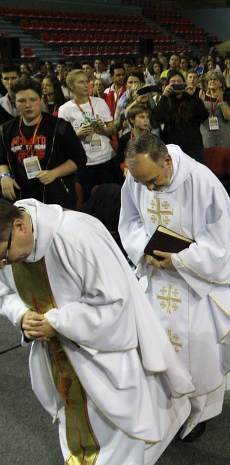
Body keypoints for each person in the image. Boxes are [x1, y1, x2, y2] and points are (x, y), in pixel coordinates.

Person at [0, 198, 194, 464]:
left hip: (103, 353)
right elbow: (5, 293)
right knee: (77, 425)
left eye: (3, 255)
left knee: (118, 436)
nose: (3, 265)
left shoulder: (76, 235)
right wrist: (21, 316)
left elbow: (115, 303)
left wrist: (57, 322)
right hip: (60, 359)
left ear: (20, 226)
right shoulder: (9, 245)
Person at [118, 134, 230, 440]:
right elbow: (129, 222)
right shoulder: (137, 179)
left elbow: (221, 242)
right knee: (158, 346)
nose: (150, 190)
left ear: (167, 161)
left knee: (198, 348)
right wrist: (144, 248)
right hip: (156, 278)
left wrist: (181, 260)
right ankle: (167, 411)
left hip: (196, 284)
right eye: (144, 184)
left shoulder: (202, 180)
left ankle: (198, 413)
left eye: (154, 181)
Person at [0, 77, 87, 209]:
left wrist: (54, 173)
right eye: (22, 101)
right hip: (23, 199)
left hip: (57, 197)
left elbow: (80, 158)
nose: (28, 105)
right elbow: (2, 159)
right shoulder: (6, 130)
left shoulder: (60, 127)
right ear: (15, 103)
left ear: (41, 100)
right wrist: (4, 176)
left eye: (33, 100)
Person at [58, 69, 120, 203]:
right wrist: (77, 134)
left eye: (87, 81)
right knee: (89, 200)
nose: (86, 85)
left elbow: (112, 129)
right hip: (84, 163)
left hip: (105, 159)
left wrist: (103, 129)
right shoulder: (65, 109)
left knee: (110, 198)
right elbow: (62, 140)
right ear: (71, 86)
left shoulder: (99, 102)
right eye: (81, 82)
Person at [154, 70, 209, 163]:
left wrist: (194, 96)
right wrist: (164, 96)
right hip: (172, 148)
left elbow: (204, 115)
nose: (176, 84)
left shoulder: (191, 99)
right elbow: (157, 118)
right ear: (168, 85)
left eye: (179, 81)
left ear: (184, 83)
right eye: (173, 82)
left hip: (193, 147)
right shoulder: (165, 100)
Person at [199, 71, 230, 153]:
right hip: (207, 138)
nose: (212, 81)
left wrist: (221, 101)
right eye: (210, 79)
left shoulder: (227, 97)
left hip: (225, 137)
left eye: (215, 79)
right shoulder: (202, 97)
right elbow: (198, 117)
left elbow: (228, 117)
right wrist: (200, 102)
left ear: (221, 83)